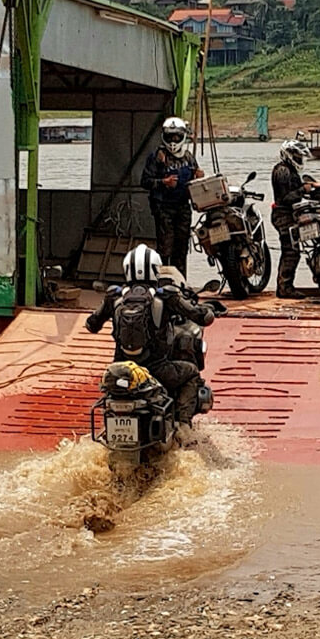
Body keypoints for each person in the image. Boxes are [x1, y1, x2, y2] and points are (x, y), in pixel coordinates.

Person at [85, 244, 215, 423]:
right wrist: (207, 311)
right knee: (191, 373)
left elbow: (91, 325)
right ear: (156, 270)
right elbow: (202, 318)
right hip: (157, 370)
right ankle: (183, 427)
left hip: (122, 371)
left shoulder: (114, 296)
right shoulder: (166, 296)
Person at [140, 117, 203, 278]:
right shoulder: (157, 157)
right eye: (170, 137)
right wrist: (163, 182)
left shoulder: (188, 157)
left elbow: (196, 180)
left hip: (183, 207)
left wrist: (198, 176)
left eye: (176, 137)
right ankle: (163, 280)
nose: (173, 141)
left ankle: (180, 282)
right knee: (165, 248)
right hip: (163, 208)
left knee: (181, 248)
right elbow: (145, 181)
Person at [271, 139, 313, 299]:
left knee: (292, 250)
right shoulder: (283, 171)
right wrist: (303, 189)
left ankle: (285, 285)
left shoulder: (288, 170)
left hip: (288, 214)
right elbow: (286, 197)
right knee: (290, 251)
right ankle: (284, 287)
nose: (300, 159)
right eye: (297, 155)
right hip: (283, 215)